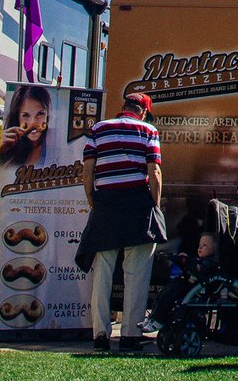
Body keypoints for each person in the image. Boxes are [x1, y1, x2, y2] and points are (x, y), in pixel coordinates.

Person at [76, 91, 166, 354]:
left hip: (107, 205)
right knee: (136, 275)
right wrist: (155, 204)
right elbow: (155, 171)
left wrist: (92, 199)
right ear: (144, 111)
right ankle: (130, 335)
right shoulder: (148, 130)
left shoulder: (98, 129)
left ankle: (101, 335)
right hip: (137, 205)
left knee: (102, 273)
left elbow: (88, 171)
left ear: (124, 106)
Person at [0, 84, 52, 167]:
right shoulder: (11, 148)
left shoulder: (54, 146)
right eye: (26, 115)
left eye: (40, 114)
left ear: (47, 114)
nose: (33, 122)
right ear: (17, 117)